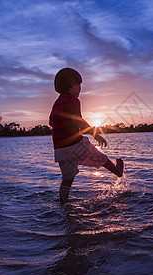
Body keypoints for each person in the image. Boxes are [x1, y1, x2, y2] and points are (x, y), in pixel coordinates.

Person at [49, 68, 124, 204]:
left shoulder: (56, 103)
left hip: (60, 149)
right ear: (72, 85)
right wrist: (95, 134)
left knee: (67, 179)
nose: (80, 89)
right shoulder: (73, 100)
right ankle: (117, 171)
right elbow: (77, 119)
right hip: (75, 144)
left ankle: (63, 204)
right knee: (101, 158)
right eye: (79, 85)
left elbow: (50, 121)